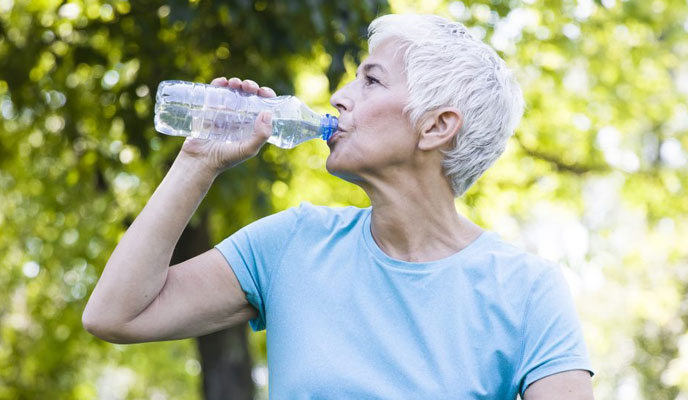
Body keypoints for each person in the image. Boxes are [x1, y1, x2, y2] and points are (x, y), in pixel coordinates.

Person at [82, 13, 594, 399]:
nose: (340, 97)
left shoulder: (525, 291)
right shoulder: (291, 244)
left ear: (437, 125)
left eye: (371, 80)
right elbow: (117, 315)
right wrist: (199, 161)